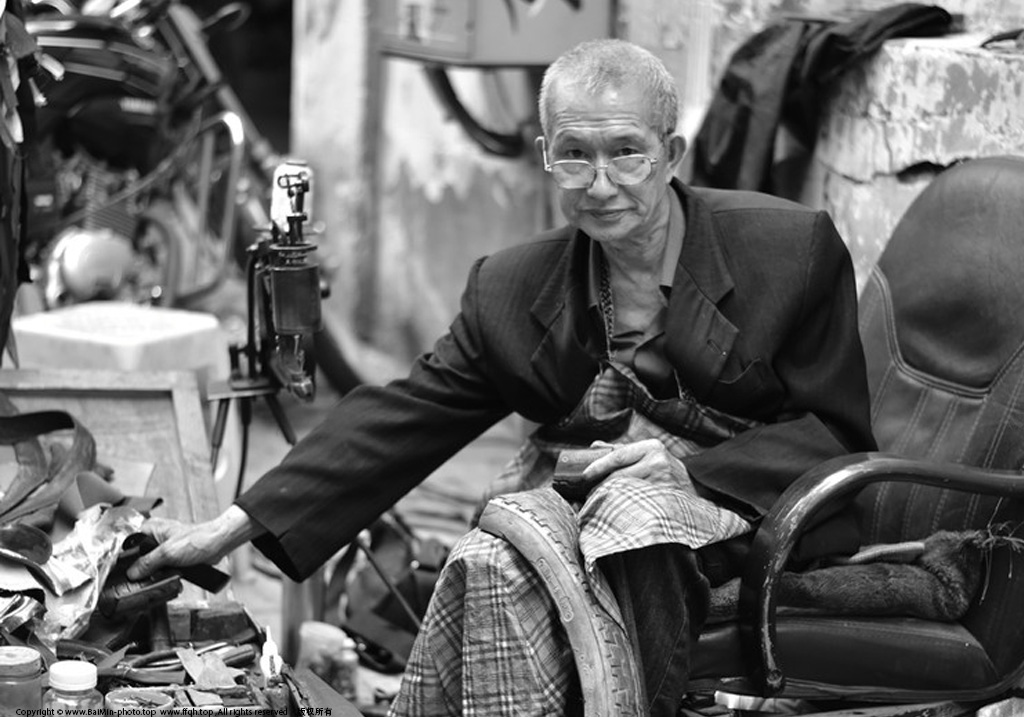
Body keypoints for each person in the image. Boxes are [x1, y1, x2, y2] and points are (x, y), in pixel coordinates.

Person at [129, 38, 876, 716]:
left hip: (748, 507)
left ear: (671, 152)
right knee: (486, 558)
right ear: (546, 156)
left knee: (627, 514)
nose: (601, 184)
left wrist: (691, 472)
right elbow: (406, 413)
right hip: (581, 522)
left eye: (627, 152)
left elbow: (837, 433)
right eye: (575, 155)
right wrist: (224, 531)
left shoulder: (788, 250)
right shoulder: (514, 287)